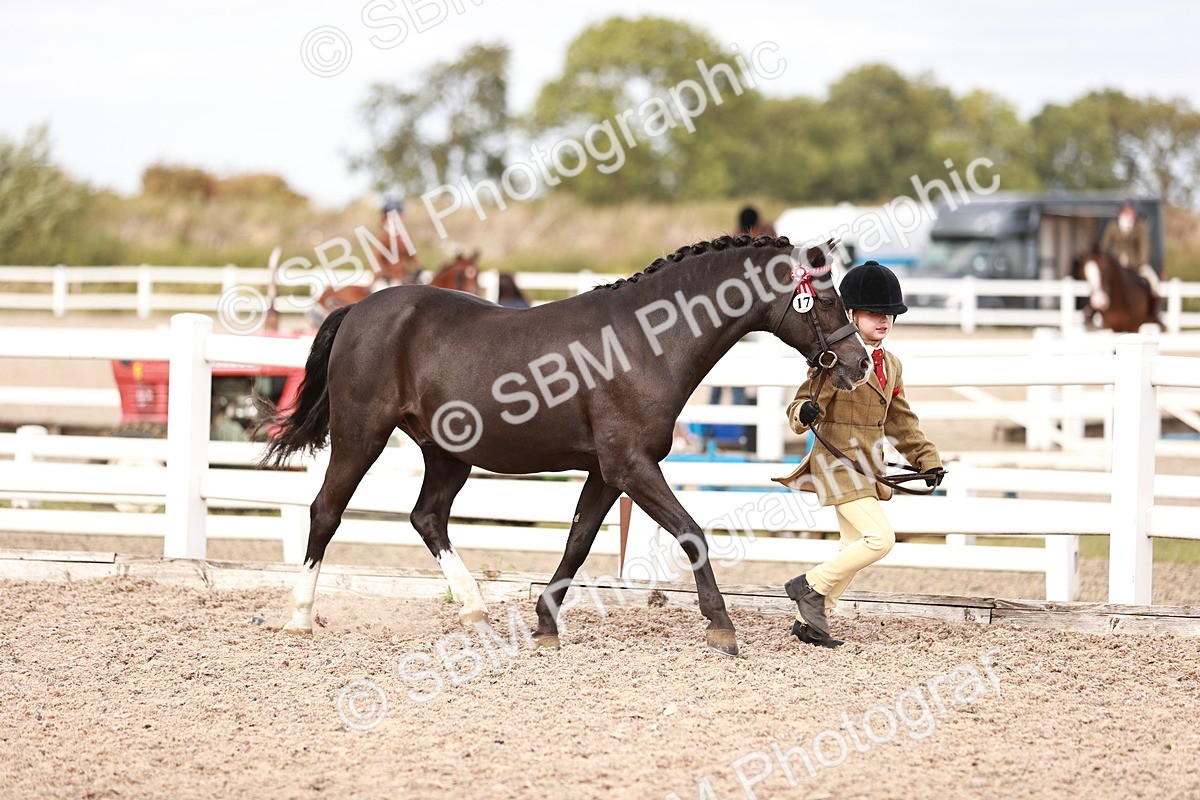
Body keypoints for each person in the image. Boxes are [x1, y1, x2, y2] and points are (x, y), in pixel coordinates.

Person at [773, 261, 944, 648]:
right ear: (850, 315)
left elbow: (901, 420)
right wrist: (805, 413)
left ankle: (810, 621)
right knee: (879, 540)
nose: (883, 321)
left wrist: (926, 459)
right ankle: (809, 586)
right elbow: (799, 406)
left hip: (867, 467)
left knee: (852, 547)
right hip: (836, 464)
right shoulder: (836, 358)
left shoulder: (892, 365)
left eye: (889, 315)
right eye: (873, 314)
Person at [1099, 200, 1160, 306]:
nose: (1132, 213)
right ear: (1122, 211)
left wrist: (1143, 257)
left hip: (1134, 262)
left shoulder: (1139, 226)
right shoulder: (1113, 226)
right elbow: (1105, 244)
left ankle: (1154, 309)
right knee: (1100, 281)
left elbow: (1144, 243)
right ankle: (1097, 310)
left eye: (1133, 210)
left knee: (1153, 280)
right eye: (1129, 210)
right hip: (1116, 261)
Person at [376, 198, 423, 286]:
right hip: (385, 278)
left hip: (403, 276)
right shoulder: (382, 236)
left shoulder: (405, 236)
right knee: (379, 291)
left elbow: (414, 255)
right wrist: (384, 273)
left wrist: (419, 268)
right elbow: (377, 258)